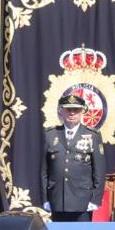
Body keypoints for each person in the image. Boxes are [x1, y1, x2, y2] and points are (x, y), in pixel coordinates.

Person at [40, 92, 104, 222]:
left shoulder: (93, 135)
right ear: (61, 111)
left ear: (82, 112)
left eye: (76, 109)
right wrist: (45, 198)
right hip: (58, 200)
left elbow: (99, 171)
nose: (72, 113)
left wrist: (95, 199)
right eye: (68, 109)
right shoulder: (50, 135)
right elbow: (43, 171)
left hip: (83, 201)